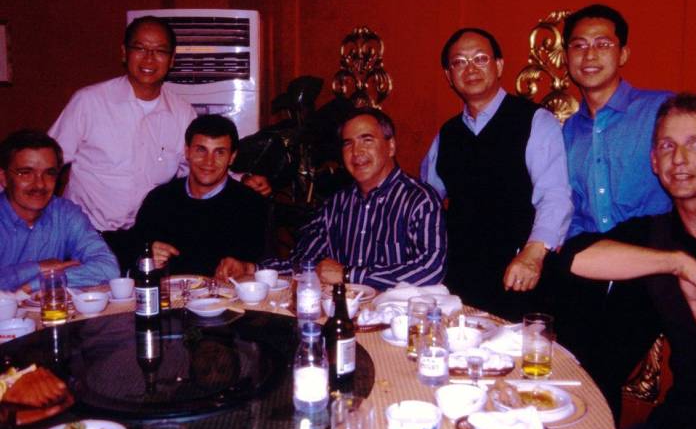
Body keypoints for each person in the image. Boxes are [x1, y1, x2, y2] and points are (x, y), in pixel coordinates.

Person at [558, 4, 696, 421]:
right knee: (563, 362)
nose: (589, 55)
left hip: (655, 261)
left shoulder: (661, 111)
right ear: (567, 57)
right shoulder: (565, 133)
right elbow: (568, 214)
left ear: (623, 53)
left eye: (602, 44)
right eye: (578, 45)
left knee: (603, 363)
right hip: (602, 255)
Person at [562, 94, 696, 429]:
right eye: (667, 146)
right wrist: (677, 264)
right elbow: (573, 257)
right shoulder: (655, 235)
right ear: (654, 162)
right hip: (683, 418)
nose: (679, 158)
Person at [420, 28, 571, 320]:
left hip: (517, 273)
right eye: (459, 62)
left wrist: (533, 254)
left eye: (480, 58)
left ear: (499, 66)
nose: (471, 69)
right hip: (457, 276)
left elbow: (555, 195)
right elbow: (425, 202)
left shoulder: (535, 121)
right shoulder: (447, 133)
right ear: (449, 76)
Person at [218, 108, 447, 291]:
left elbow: (430, 270)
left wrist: (348, 275)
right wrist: (251, 268)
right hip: (342, 316)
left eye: (367, 140)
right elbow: (305, 263)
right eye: (348, 143)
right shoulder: (336, 204)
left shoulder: (420, 200)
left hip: (399, 322)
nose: (356, 152)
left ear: (391, 146)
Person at [47, 16, 196, 271]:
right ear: (124, 52)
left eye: (160, 51)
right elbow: (46, 161)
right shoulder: (89, 102)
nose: (149, 59)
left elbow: (199, 170)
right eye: (140, 48)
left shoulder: (183, 113)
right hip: (86, 238)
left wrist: (244, 180)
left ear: (172, 59)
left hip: (145, 242)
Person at [131, 114, 267, 277]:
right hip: (168, 293)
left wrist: (245, 267)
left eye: (219, 152)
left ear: (232, 157)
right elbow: (133, 261)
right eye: (201, 150)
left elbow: (267, 268)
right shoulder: (159, 200)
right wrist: (145, 258)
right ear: (187, 151)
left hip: (229, 293)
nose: (209, 162)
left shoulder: (251, 205)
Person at [0, 130, 119, 291]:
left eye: (49, 174)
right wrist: (38, 267)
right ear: (4, 178)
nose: (39, 184)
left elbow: (108, 268)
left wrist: (39, 283)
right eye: (26, 173)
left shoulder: (65, 214)